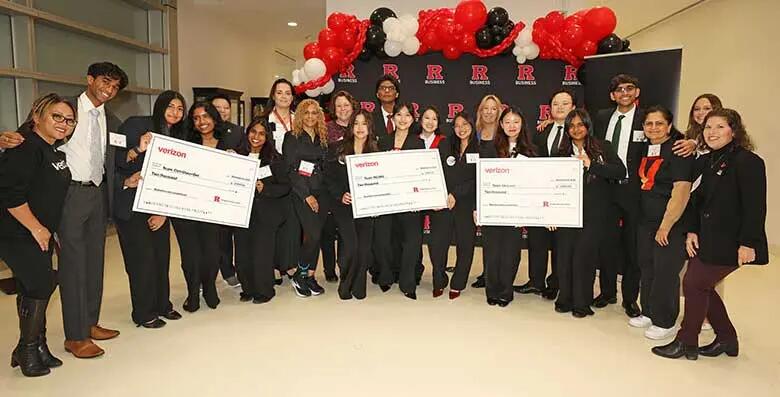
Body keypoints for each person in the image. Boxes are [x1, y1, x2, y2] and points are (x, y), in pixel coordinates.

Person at [653, 108, 767, 360]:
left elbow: (755, 207)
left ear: (734, 131)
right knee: (703, 286)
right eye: (707, 128)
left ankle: (686, 342)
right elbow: (696, 200)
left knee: (693, 284)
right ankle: (727, 339)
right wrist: (692, 229)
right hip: (706, 237)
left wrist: (748, 243)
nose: (712, 132)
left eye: (720, 127)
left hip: (732, 241)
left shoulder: (749, 162)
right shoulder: (706, 161)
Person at [594, 74, 697, 318]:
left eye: (630, 88)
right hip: (605, 188)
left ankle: (630, 299)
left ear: (637, 92)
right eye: (619, 89)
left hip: (635, 191)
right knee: (607, 244)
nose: (624, 93)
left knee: (633, 247)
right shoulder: (601, 117)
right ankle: (607, 291)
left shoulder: (647, 119)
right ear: (612, 95)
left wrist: (693, 142)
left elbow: (672, 138)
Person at [0, 94, 75, 376]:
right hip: (17, 231)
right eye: (57, 116)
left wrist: (48, 229)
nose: (64, 124)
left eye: (69, 120)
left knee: (32, 285)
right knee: (41, 284)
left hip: (39, 231)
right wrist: (36, 227)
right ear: (38, 116)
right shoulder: (25, 147)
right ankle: (27, 349)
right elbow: (10, 194)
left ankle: (38, 346)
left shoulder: (53, 150)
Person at [57, 62, 127, 358]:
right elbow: (34, 133)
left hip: (98, 195)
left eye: (114, 87)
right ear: (90, 79)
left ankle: (90, 322)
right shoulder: (65, 107)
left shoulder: (111, 118)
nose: (109, 90)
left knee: (94, 262)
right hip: (70, 193)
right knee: (73, 266)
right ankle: (75, 336)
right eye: (105, 82)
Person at [113, 90, 186, 328]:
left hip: (159, 206)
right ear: (160, 106)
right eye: (171, 107)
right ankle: (143, 313)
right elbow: (115, 161)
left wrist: (163, 211)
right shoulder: (136, 125)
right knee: (140, 260)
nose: (175, 113)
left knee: (160, 258)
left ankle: (162, 305)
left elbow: (176, 177)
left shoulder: (178, 135)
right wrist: (139, 149)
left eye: (180, 109)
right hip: (131, 205)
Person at [552, 108, 625, 318]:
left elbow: (620, 171)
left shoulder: (603, 147)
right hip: (566, 213)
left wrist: (592, 165)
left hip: (594, 214)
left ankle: (582, 303)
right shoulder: (561, 152)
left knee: (584, 258)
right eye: (571, 126)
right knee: (565, 257)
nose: (576, 129)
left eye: (580, 125)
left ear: (588, 126)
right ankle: (565, 298)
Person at [630, 106, 693, 339]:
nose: (653, 128)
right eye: (649, 124)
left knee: (666, 271)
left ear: (669, 126)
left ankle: (665, 321)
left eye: (659, 123)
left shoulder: (679, 150)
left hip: (669, 223)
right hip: (645, 221)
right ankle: (648, 310)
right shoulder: (647, 148)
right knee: (647, 267)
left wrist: (666, 225)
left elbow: (681, 190)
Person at [517, 89, 577, 300]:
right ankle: (535, 281)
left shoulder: (579, 132)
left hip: (564, 197)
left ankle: (556, 282)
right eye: (555, 104)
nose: (559, 108)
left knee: (561, 243)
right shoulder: (542, 131)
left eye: (565, 104)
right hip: (540, 195)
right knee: (537, 239)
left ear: (573, 108)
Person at [478, 106, 537, 307]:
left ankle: (506, 290)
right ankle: (492, 290)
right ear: (501, 125)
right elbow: (481, 180)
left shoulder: (531, 151)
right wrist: (478, 208)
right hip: (493, 207)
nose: (512, 126)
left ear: (522, 125)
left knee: (510, 252)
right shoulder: (489, 149)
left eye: (516, 122)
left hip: (516, 210)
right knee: (492, 251)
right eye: (507, 122)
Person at [171, 102, 227, 312]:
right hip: (185, 207)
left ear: (214, 118)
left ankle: (210, 288)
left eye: (206, 116)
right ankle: (193, 293)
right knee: (191, 254)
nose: (202, 121)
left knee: (212, 253)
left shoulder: (225, 145)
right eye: (196, 118)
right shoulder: (184, 144)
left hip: (212, 209)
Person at [234, 118, 290, 304]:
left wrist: (264, 189)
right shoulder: (237, 156)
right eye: (253, 132)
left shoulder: (275, 159)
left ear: (267, 137)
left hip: (266, 215)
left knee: (262, 255)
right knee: (242, 254)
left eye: (261, 133)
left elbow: (285, 186)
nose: (256, 137)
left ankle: (264, 291)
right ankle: (247, 289)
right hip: (242, 213)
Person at [324, 109, 377, 300]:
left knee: (364, 249)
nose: (360, 127)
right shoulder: (337, 148)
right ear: (351, 126)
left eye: (364, 123)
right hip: (344, 206)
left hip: (366, 207)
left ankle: (359, 286)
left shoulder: (375, 151)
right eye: (356, 123)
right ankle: (345, 284)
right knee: (351, 246)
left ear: (369, 127)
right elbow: (328, 178)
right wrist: (340, 195)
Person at [375, 102, 425, 299]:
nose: (403, 119)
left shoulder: (418, 143)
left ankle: (407, 282)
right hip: (388, 202)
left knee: (411, 243)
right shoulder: (382, 142)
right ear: (393, 118)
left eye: (407, 115)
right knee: (385, 241)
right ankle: (386, 277)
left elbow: (422, 174)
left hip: (410, 203)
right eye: (399, 115)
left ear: (413, 119)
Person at [283, 98, 330, 297]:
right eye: (307, 113)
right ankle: (299, 274)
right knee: (313, 235)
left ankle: (309, 276)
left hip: (322, 192)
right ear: (300, 115)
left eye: (314, 113)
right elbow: (292, 170)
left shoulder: (322, 137)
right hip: (303, 194)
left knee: (316, 236)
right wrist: (307, 195)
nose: (311, 116)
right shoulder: (291, 137)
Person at [430, 112, 478, 300]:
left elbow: (478, 179)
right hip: (443, 203)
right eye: (457, 125)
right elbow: (435, 172)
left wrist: (456, 193)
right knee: (437, 246)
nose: (461, 128)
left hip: (465, 205)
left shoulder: (480, 147)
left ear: (472, 125)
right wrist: (441, 195)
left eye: (465, 124)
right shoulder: (445, 144)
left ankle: (458, 282)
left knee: (465, 247)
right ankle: (439, 280)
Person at [264, 78, 298, 285]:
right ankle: (275, 265)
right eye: (280, 92)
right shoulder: (265, 120)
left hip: (294, 175)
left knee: (293, 222)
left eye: (288, 93)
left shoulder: (299, 119)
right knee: (274, 220)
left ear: (293, 97)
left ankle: (290, 263)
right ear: (273, 95)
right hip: (273, 174)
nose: (284, 96)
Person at [321, 91, 356, 283]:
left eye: (346, 105)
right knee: (327, 231)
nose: (343, 109)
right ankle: (328, 268)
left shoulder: (358, 128)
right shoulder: (326, 129)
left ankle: (345, 267)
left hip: (350, 190)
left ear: (352, 107)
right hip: (329, 187)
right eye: (339, 106)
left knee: (345, 231)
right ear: (334, 109)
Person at [210, 94, 243, 288]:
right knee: (212, 236)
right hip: (208, 190)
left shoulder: (238, 131)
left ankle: (229, 270)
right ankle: (209, 273)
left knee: (229, 233)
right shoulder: (202, 130)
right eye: (217, 107)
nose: (222, 111)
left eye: (226, 108)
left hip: (231, 190)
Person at [471, 94, 503, 289]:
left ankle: (499, 273)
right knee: (487, 236)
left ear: (499, 111)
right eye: (486, 108)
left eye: (493, 108)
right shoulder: (475, 133)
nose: (489, 112)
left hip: (499, 191)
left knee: (500, 235)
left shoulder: (504, 133)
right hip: (478, 188)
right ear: (480, 111)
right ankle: (487, 273)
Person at [418, 106, 449, 297]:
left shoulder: (445, 142)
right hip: (416, 198)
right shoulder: (412, 141)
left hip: (437, 199)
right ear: (420, 120)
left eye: (434, 119)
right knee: (414, 240)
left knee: (438, 242)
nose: (430, 122)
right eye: (426, 118)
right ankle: (415, 272)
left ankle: (439, 277)